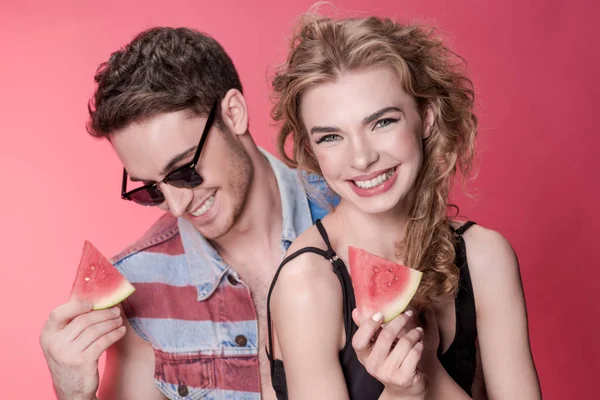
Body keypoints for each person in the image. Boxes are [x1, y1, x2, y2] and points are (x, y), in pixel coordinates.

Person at [39, 27, 334, 400]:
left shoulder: (352, 214)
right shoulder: (138, 281)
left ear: (233, 113)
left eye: (183, 171)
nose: (178, 206)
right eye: (151, 189)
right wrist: (73, 395)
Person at [266, 13, 543, 400]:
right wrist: (400, 394)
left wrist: (427, 368)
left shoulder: (486, 258)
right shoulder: (307, 286)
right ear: (311, 150)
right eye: (331, 136)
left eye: (382, 122)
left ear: (425, 117)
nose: (361, 159)